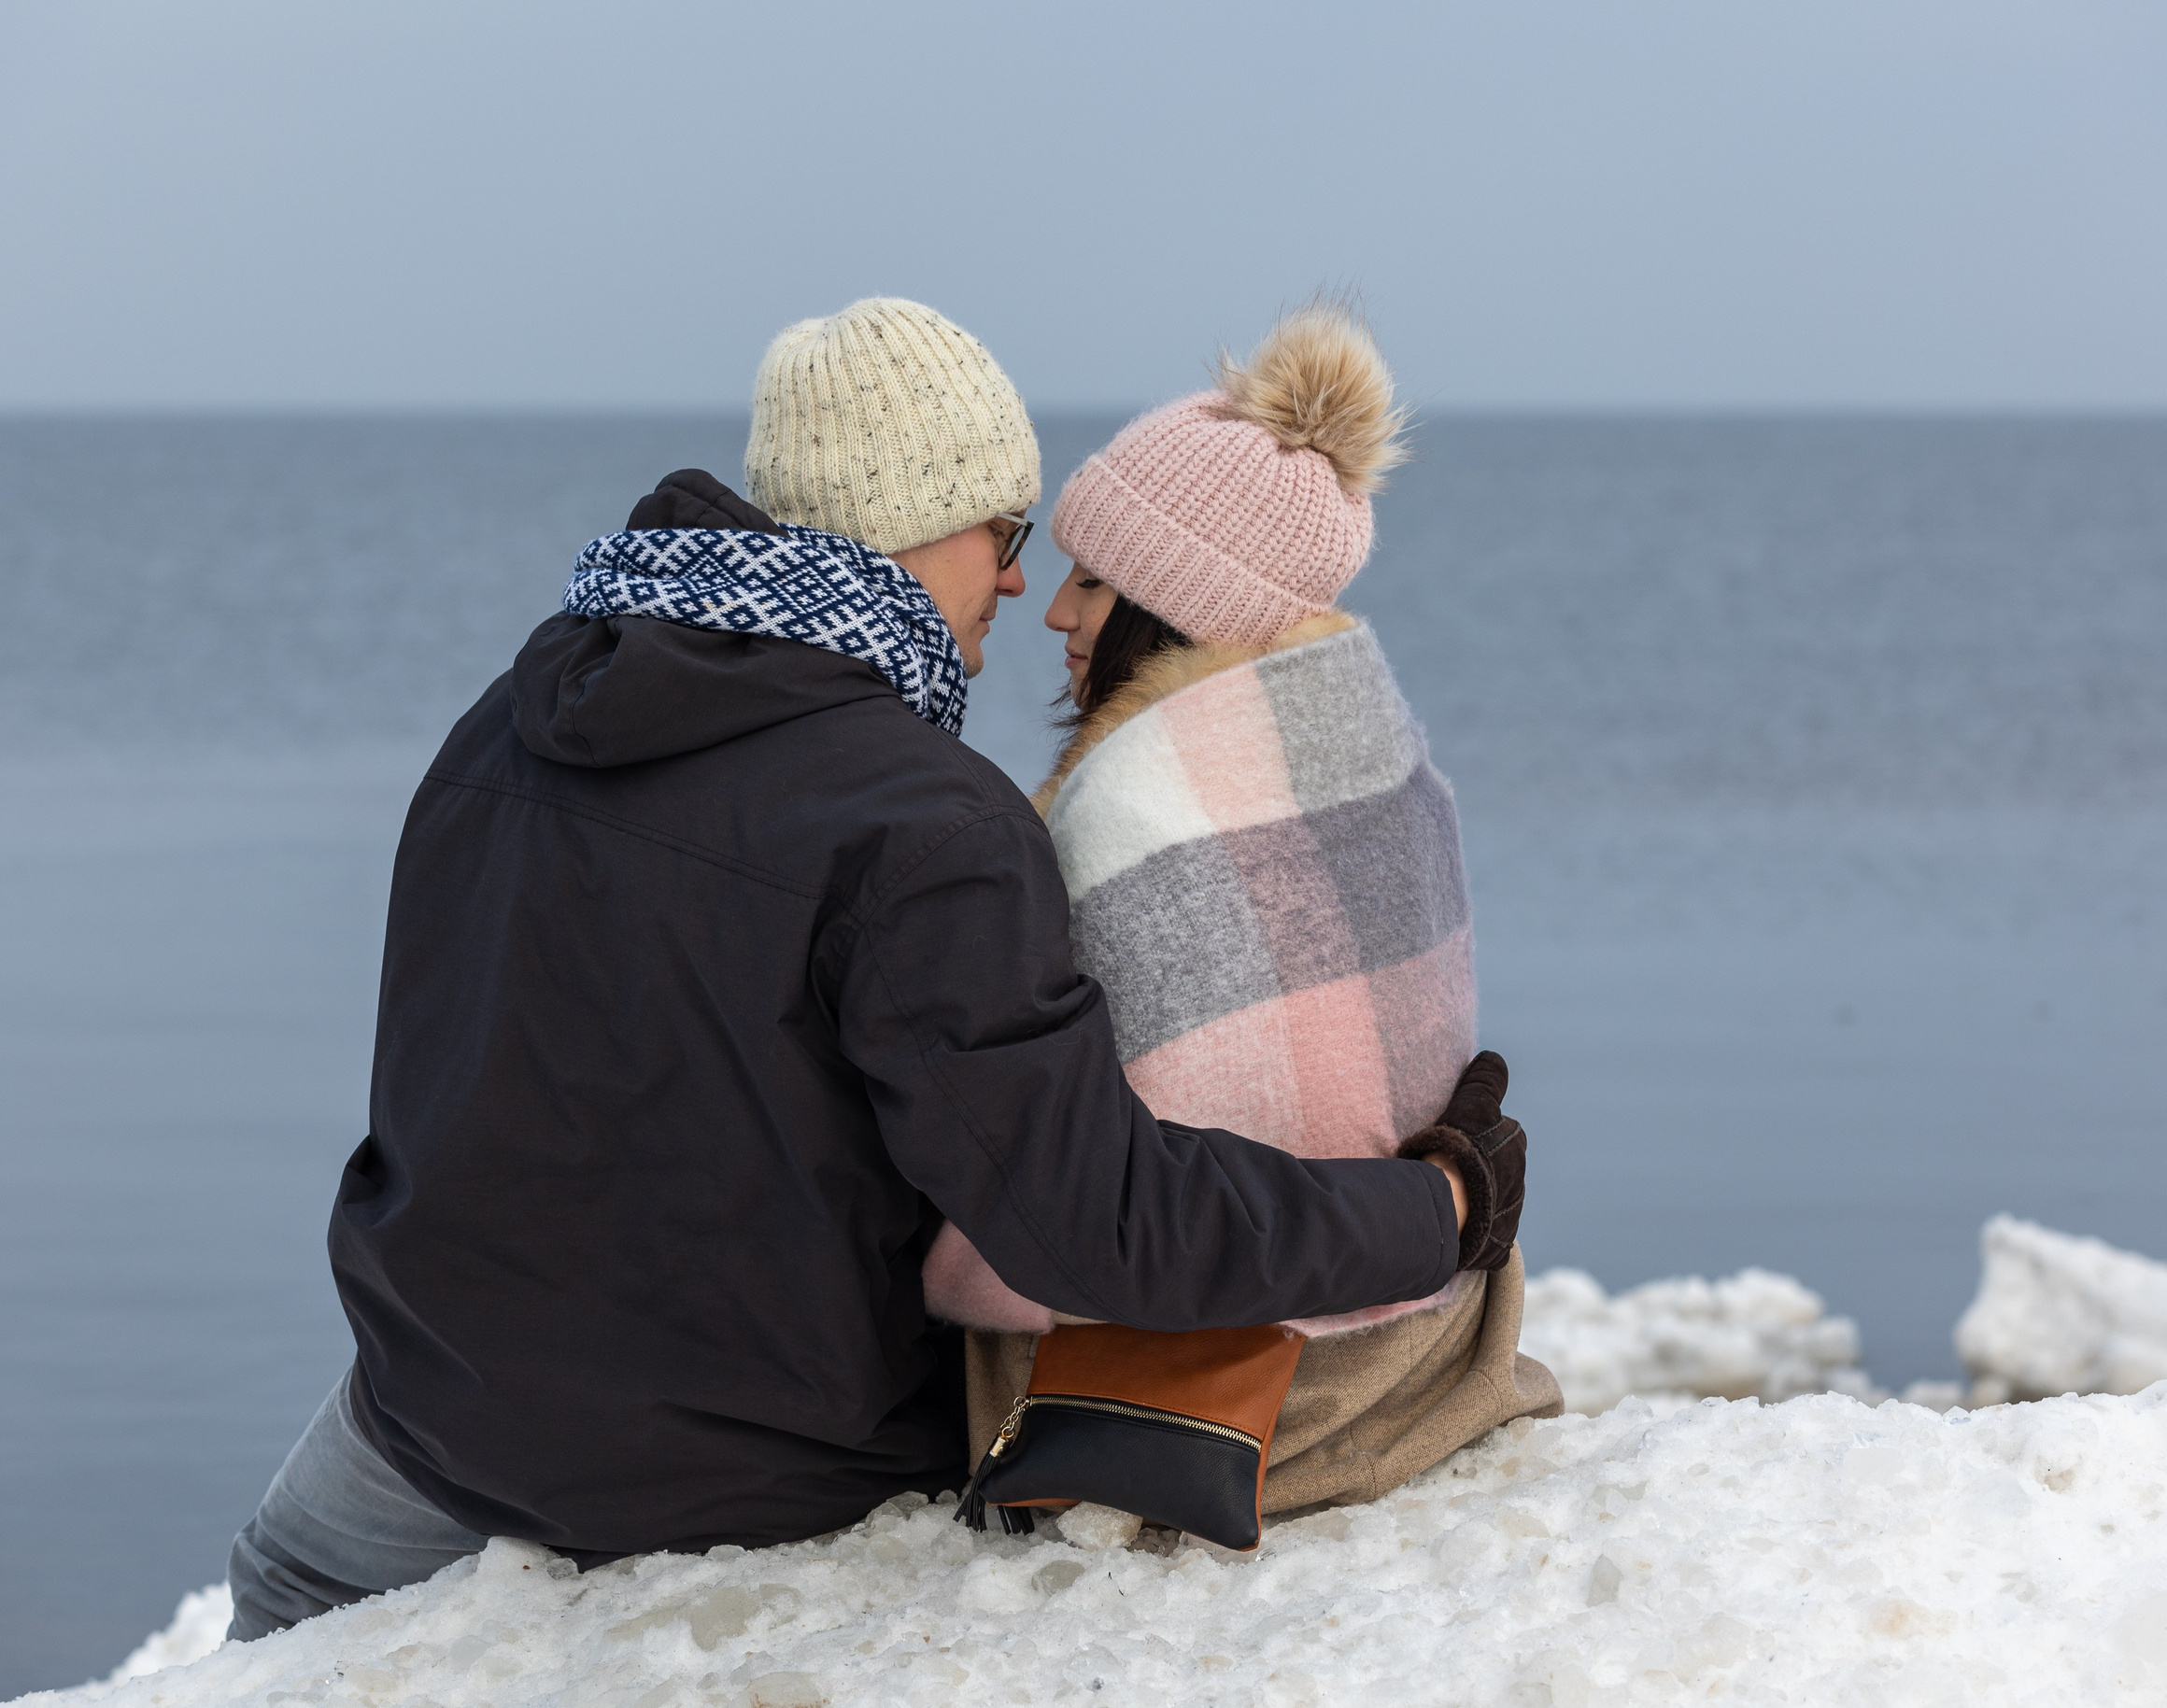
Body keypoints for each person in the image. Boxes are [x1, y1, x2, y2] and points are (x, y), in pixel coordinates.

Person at [224, 298, 1516, 1640]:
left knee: (280, 1590)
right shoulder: (931, 826)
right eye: (1011, 539)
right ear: (930, 524)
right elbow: (1093, 1221)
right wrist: (1434, 1204)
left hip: (430, 1395)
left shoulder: (510, 721)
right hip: (746, 1462)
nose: (1021, 587)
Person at [928, 302, 1562, 1513]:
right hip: (1429, 1332)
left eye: (1094, 582)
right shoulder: (1391, 766)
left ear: (1181, 603)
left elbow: (1094, 1213)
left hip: (1244, 1387)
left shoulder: (1128, 815)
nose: (1056, 613)